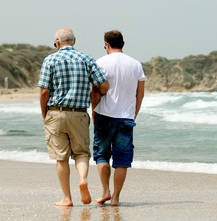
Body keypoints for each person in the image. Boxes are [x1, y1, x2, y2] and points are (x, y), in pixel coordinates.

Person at [38, 27, 109, 207]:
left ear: (57, 42)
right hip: (78, 113)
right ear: (74, 41)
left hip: (56, 112)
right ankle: (83, 179)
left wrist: (44, 113)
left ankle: (67, 198)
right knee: (81, 153)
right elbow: (103, 85)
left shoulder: (50, 59)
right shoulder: (86, 59)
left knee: (61, 157)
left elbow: (44, 91)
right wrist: (95, 100)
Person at [92, 30, 146, 206]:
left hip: (104, 115)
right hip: (126, 117)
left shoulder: (100, 63)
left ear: (106, 45)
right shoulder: (136, 64)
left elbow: (96, 91)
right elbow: (140, 95)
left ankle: (105, 191)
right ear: (123, 43)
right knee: (122, 160)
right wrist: (133, 113)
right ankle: (116, 198)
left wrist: (93, 111)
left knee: (101, 155)